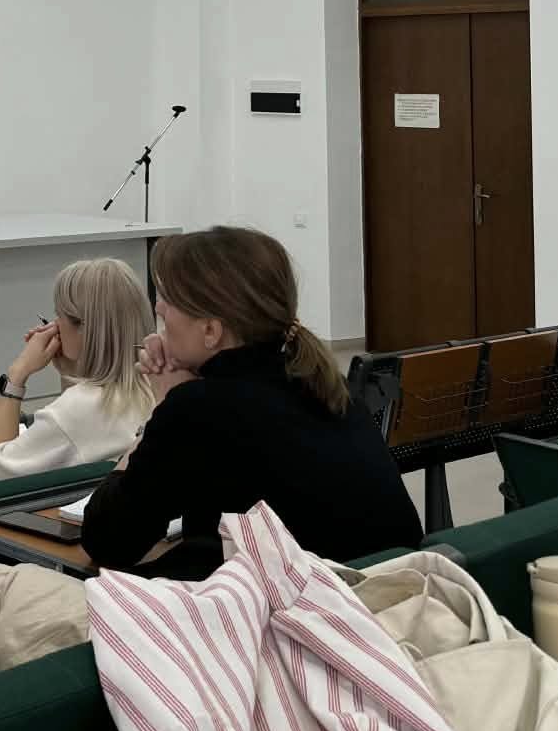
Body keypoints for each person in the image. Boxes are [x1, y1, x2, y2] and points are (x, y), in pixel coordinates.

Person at [80, 226, 420, 579]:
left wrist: (162, 407)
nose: (159, 306)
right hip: (381, 590)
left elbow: (108, 540)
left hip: (295, 605)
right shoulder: (326, 386)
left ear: (211, 331)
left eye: (170, 300)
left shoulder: (197, 408)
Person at [0, 256, 156, 480]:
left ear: (83, 328)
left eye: (59, 315)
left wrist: (17, 374)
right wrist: (70, 373)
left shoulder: (79, 409)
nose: (54, 325)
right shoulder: (163, 386)